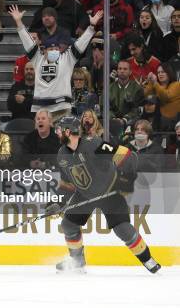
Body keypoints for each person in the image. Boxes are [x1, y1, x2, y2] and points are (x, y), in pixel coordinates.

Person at [52, 115, 160, 274]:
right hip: (85, 194)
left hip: (110, 190)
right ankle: (77, 262)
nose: (57, 133)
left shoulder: (93, 144)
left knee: (122, 229)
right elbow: (66, 184)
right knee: (68, 224)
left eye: (59, 130)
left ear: (68, 132)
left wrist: (126, 180)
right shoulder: (62, 155)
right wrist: (56, 202)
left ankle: (148, 260)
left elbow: (128, 158)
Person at [9, 4, 103, 121]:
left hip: (61, 108)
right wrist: (19, 22)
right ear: (44, 49)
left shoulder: (67, 58)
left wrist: (91, 26)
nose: (54, 50)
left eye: (56, 48)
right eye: (51, 48)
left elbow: (81, 43)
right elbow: (27, 41)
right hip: (40, 109)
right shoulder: (38, 58)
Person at [110, 58, 144, 127]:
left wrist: (125, 119)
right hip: (111, 122)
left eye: (125, 69)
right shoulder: (109, 88)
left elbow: (137, 109)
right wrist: (113, 118)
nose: (122, 71)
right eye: (120, 69)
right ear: (117, 71)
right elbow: (104, 107)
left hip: (131, 123)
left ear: (130, 72)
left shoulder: (137, 88)